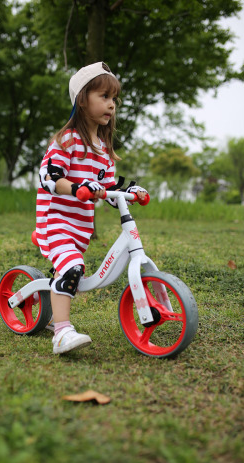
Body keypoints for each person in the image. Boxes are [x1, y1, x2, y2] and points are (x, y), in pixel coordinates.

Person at [36, 62, 147, 354]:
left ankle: (50, 307)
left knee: (70, 267)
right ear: (82, 100)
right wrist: (76, 187)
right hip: (55, 221)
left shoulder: (103, 151)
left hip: (79, 227)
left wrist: (128, 191)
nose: (111, 105)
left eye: (114, 99)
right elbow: (49, 177)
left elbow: (108, 188)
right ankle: (61, 333)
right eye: (104, 97)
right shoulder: (66, 141)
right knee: (73, 267)